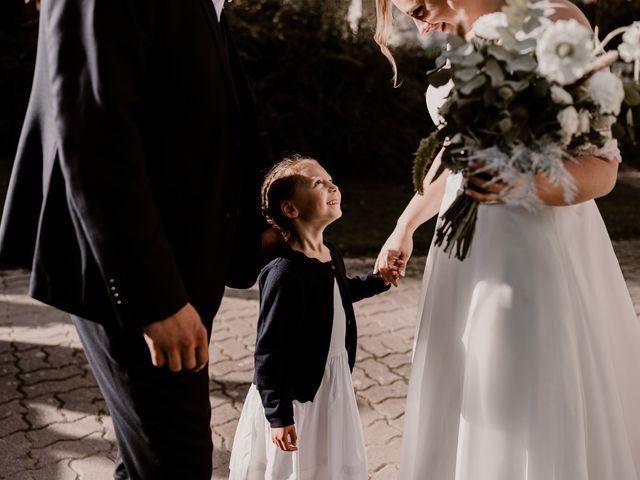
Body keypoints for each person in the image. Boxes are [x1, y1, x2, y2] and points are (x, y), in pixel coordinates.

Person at [373, 0, 640, 478]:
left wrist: (517, 184)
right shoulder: (457, 34)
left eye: (417, 6)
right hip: (462, 260)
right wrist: (405, 225)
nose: (419, 23)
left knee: (529, 383)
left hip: (536, 250)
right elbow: (458, 155)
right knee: (468, 392)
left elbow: (602, 170)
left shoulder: (557, 21)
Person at [0, 0, 262, 478]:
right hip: (134, 275)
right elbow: (92, 134)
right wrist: (154, 300)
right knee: (174, 465)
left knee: (150, 460)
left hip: (177, 263)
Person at [228, 156, 394, 480]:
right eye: (319, 183)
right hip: (296, 395)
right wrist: (278, 416)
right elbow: (268, 353)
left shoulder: (329, 254)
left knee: (325, 463)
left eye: (331, 180)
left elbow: (337, 293)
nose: (333, 186)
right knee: (294, 468)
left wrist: (379, 280)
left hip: (330, 383)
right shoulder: (283, 273)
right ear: (291, 209)